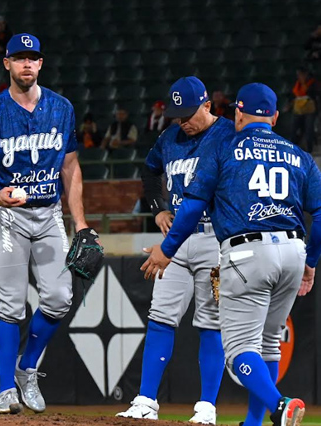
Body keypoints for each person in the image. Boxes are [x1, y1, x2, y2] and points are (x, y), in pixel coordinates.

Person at [141, 82, 321, 426]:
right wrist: (311, 262)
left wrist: (167, 249)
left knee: (238, 352)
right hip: (293, 249)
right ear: (275, 117)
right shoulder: (297, 153)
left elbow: (191, 207)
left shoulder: (224, 148)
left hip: (246, 252)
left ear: (237, 113)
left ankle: (279, 406)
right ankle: (253, 422)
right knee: (270, 344)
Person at [0, 33, 97, 415]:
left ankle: (28, 368)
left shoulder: (61, 108)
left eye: (33, 58)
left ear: (41, 64)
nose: (27, 64)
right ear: (6, 63)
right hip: (8, 214)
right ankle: (6, 390)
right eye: (19, 58)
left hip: (48, 213)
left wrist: (82, 223)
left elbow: (70, 167)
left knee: (59, 299)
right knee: (10, 302)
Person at [116, 76, 235, 424]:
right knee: (160, 316)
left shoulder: (227, 135)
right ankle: (145, 401)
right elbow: (150, 172)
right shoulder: (170, 138)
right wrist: (157, 208)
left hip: (216, 238)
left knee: (211, 321)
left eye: (188, 113)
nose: (182, 120)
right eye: (176, 113)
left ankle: (206, 408)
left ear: (208, 106)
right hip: (177, 241)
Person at [289, 67, 319, 152]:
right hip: (298, 110)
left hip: (309, 109)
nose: (299, 76)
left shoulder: (312, 83)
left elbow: (313, 94)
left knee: (309, 129)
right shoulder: (297, 84)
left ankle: (310, 149)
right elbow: (293, 95)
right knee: (293, 129)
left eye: (301, 74)